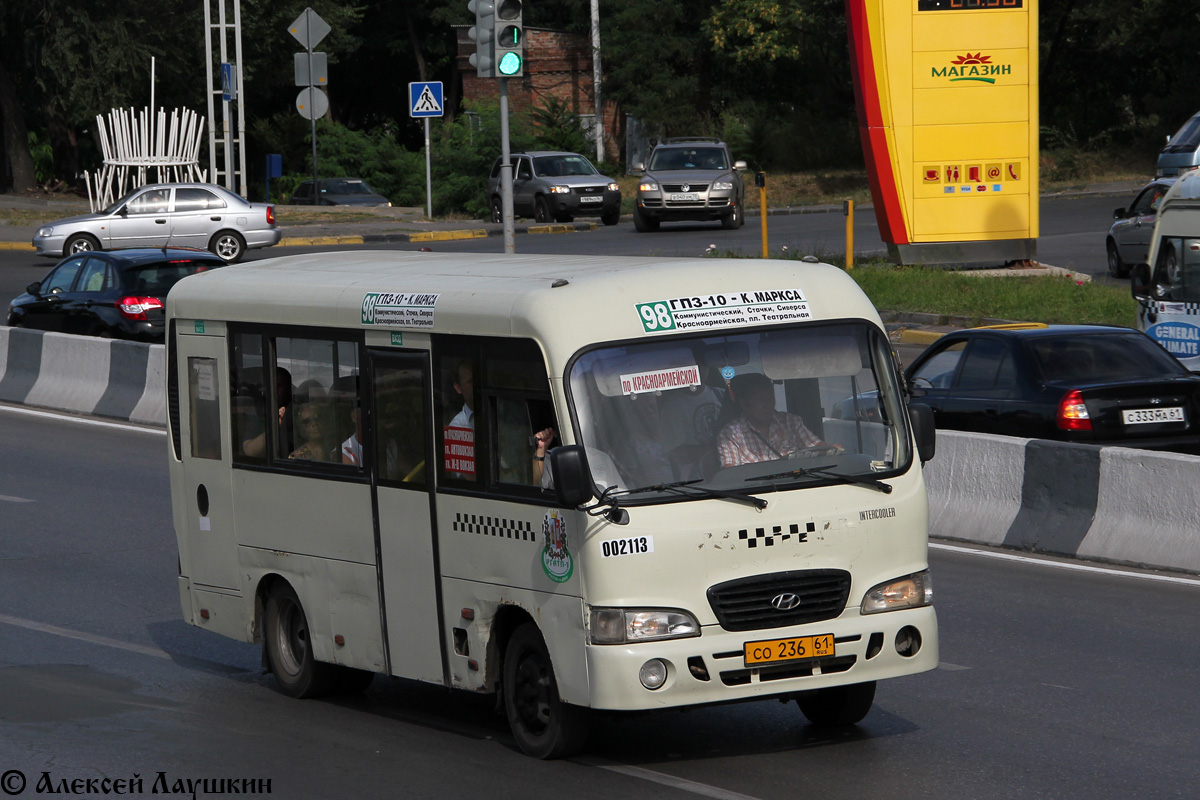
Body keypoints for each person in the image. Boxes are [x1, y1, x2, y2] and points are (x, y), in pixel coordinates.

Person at [716, 373, 841, 467]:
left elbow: (815, 446)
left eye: (771, 398)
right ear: (744, 404)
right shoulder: (730, 434)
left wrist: (832, 449)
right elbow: (730, 470)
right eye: (761, 400)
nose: (768, 404)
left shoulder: (791, 422)